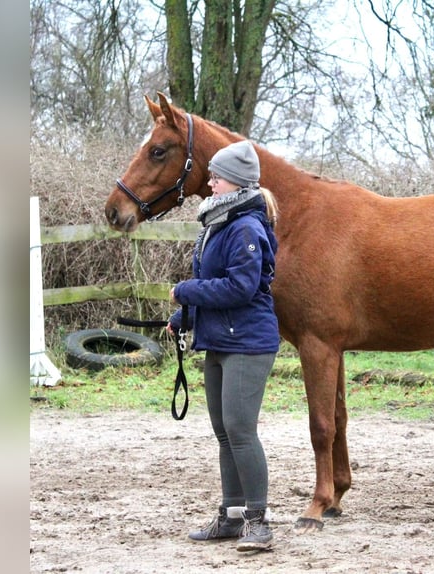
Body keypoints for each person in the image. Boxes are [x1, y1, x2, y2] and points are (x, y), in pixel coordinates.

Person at [167, 140, 280, 551]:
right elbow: (218, 289)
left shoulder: (245, 226)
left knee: (240, 430)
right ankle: (232, 516)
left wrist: (186, 290)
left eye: (216, 175)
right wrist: (183, 317)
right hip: (219, 340)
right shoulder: (218, 222)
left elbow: (241, 287)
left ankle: (259, 521)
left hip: (249, 342)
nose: (209, 181)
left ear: (236, 181)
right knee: (224, 433)